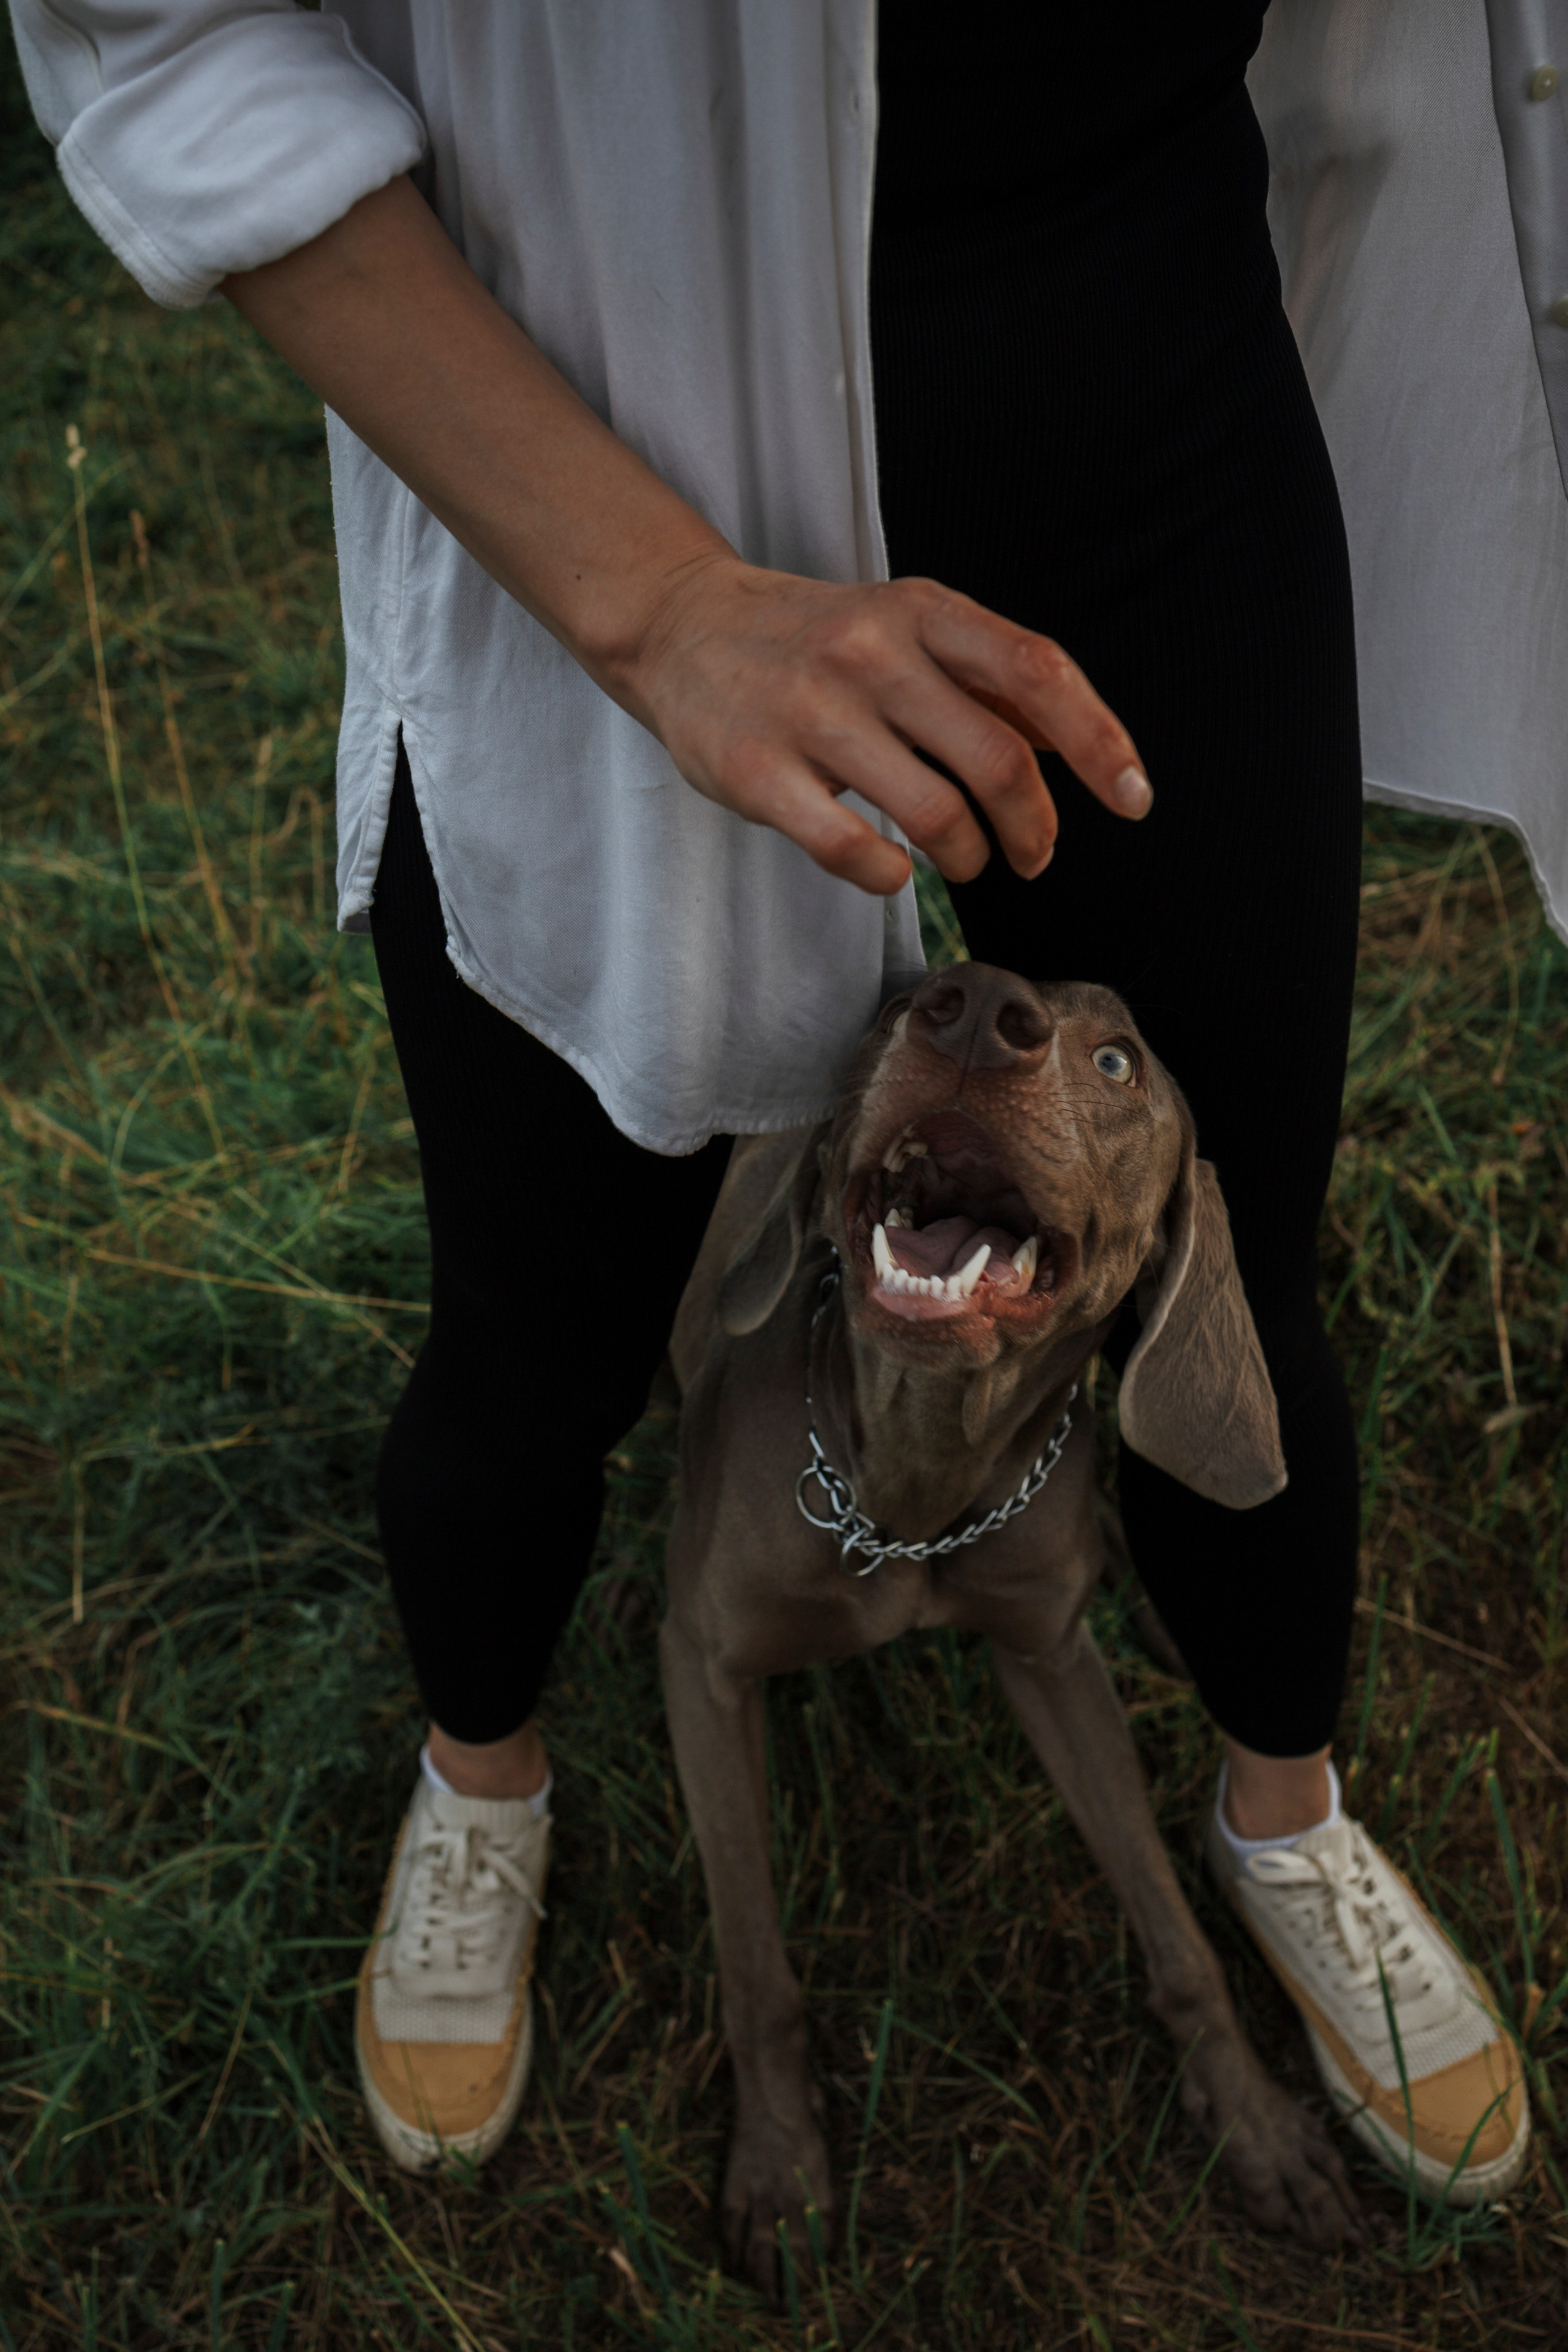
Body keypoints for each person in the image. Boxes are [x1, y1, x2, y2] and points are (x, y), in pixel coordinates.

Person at [14, 0, 1550, 2216]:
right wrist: (655, 605)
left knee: (1237, 1249)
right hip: (590, 432)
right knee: (543, 1333)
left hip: (1146, 369)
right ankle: (488, 1771)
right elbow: (158, 36)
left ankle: (1283, 1806)